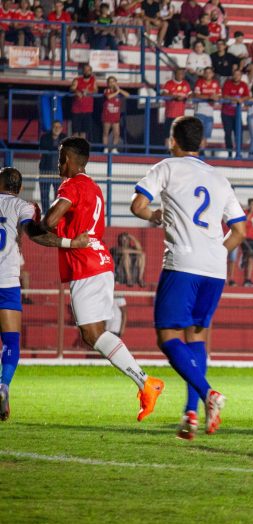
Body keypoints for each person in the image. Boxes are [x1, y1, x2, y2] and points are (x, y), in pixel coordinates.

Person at [130, 116, 247, 439]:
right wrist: (216, 252)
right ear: (202, 143)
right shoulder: (220, 178)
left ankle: (208, 394)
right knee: (196, 337)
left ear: (173, 140)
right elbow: (240, 231)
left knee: (167, 337)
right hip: (215, 269)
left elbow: (138, 205)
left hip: (182, 263)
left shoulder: (167, 167)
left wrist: (154, 215)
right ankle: (191, 413)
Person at [39, 137, 164, 421]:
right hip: (100, 261)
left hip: (85, 264)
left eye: (60, 158)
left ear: (68, 159)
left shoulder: (71, 185)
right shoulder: (95, 188)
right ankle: (145, 383)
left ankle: (146, 382)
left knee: (92, 334)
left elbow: (49, 221)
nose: (58, 164)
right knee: (93, 333)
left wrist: (40, 226)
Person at [0, 167, 91, 420]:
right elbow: (35, 234)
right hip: (7, 282)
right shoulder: (23, 206)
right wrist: (70, 243)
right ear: (19, 188)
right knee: (10, 341)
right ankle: (3, 385)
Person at [221, 68, 250, 158]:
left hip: (237, 114)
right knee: (228, 133)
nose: (236, 76)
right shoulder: (227, 83)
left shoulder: (243, 85)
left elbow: (247, 96)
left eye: (238, 75)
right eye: (235, 74)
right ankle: (229, 153)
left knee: (239, 133)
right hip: (226, 113)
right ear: (232, 75)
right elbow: (225, 95)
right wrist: (236, 99)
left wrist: (242, 99)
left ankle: (238, 152)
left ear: (241, 76)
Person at [38, 120, 66, 211]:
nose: (57, 129)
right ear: (51, 128)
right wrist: (57, 148)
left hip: (59, 172)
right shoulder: (44, 137)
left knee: (58, 194)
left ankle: (55, 213)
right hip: (45, 170)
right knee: (44, 193)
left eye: (59, 127)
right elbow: (44, 147)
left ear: (61, 129)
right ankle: (45, 213)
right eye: (55, 127)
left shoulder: (64, 138)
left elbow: (67, 150)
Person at [193, 67, 221, 150]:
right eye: (206, 72)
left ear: (212, 74)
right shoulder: (199, 82)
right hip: (200, 111)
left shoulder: (215, 83)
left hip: (210, 112)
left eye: (210, 72)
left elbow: (219, 95)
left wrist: (216, 97)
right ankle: (200, 153)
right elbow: (197, 95)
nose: (208, 74)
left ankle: (202, 152)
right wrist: (209, 97)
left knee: (206, 135)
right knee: (200, 134)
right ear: (204, 74)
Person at [162, 69, 192, 146]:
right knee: (168, 135)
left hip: (180, 115)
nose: (180, 75)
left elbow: (191, 95)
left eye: (182, 74)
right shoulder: (169, 83)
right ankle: (167, 151)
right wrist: (174, 97)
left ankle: (177, 151)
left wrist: (185, 97)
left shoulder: (186, 84)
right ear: (175, 74)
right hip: (170, 114)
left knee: (179, 135)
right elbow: (164, 94)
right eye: (178, 73)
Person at [101, 76, 129, 154]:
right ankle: (105, 148)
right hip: (107, 115)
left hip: (116, 116)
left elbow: (127, 95)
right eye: (110, 82)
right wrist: (117, 92)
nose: (111, 83)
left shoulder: (118, 91)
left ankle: (114, 148)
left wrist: (119, 90)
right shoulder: (106, 90)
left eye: (113, 81)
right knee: (105, 133)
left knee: (116, 133)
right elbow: (109, 97)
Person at [70, 64, 96, 139]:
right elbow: (72, 88)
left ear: (91, 71)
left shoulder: (93, 80)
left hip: (87, 110)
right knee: (75, 132)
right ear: (82, 71)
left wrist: (88, 92)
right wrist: (77, 91)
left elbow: (95, 90)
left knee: (84, 132)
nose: (86, 71)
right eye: (85, 70)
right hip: (77, 110)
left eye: (88, 70)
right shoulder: (77, 80)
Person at [240, 198, 253, 287]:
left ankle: (248, 279)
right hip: (246, 237)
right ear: (249, 205)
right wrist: (250, 213)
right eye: (252, 204)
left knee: (252, 258)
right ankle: (243, 258)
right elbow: (243, 224)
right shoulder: (245, 213)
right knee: (250, 254)